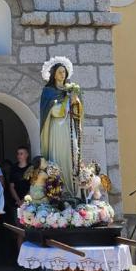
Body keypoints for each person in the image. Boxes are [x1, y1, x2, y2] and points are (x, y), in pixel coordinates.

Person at [40, 60, 82, 196]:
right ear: (54, 74)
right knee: (57, 156)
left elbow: (77, 113)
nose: (62, 74)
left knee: (71, 155)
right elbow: (51, 111)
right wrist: (65, 103)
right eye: (59, 72)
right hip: (56, 128)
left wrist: (75, 102)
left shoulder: (70, 91)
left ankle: (72, 190)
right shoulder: (48, 91)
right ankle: (58, 190)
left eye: (64, 72)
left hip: (68, 128)